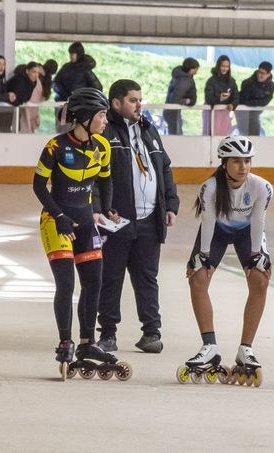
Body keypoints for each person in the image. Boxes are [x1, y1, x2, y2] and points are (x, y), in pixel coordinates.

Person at [32, 87, 122, 372]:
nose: (105, 121)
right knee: (67, 284)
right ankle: (65, 341)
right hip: (56, 221)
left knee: (94, 281)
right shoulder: (55, 146)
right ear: (84, 117)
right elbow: (38, 185)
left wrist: (107, 208)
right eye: (101, 115)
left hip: (85, 221)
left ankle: (87, 341)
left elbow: (106, 180)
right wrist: (58, 216)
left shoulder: (102, 146)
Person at [96, 79, 180, 353]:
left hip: (150, 222)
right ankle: (108, 334)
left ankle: (151, 333)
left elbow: (164, 168)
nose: (139, 105)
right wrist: (99, 208)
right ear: (116, 103)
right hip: (117, 222)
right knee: (111, 278)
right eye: (133, 100)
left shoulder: (148, 130)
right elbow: (94, 176)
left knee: (147, 279)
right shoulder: (105, 133)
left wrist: (170, 204)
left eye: (140, 99)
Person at [181, 136, 273, 385]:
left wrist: (257, 255)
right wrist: (203, 256)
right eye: (236, 161)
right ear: (224, 163)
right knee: (197, 279)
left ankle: (246, 349)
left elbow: (259, 221)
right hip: (217, 232)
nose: (243, 167)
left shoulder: (262, 187)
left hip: (247, 233)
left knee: (260, 280)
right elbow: (208, 222)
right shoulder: (210, 187)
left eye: (247, 161)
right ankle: (209, 346)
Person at [54, 42, 103, 132]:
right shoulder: (66, 67)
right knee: (62, 130)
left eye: (74, 54)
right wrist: (64, 95)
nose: (71, 56)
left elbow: (98, 88)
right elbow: (56, 83)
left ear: (79, 54)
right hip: (63, 104)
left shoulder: (85, 70)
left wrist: (85, 99)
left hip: (80, 107)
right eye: (70, 54)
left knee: (77, 130)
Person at [235, 61, 274, 136]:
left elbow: (265, 102)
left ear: (268, 74)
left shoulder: (271, 86)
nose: (259, 75)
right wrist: (256, 102)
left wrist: (252, 103)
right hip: (242, 113)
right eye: (259, 72)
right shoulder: (247, 83)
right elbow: (245, 101)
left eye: (262, 73)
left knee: (255, 136)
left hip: (255, 114)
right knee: (243, 135)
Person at [6, 62, 47, 133]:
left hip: (28, 109)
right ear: (27, 71)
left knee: (24, 128)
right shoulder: (22, 82)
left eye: (38, 73)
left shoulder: (34, 83)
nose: (36, 75)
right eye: (34, 72)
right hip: (27, 109)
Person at [203, 55, 238, 136]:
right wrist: (220, 99)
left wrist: (233, 105)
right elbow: (208, 98)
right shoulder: (211, 81)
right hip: (212, 113)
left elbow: (236, 97)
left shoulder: (232, 81)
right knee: (211, 134)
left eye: (227, 66)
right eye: (223, 66)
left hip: (225, 114)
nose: (225, 69)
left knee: (224, 136)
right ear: (218, 66)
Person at [163, 57, 199, 136]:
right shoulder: (184, 81)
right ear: (191, 69)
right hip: (173, 112)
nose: (197, 70)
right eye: (196, 68)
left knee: (176, 133)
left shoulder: (179, 77)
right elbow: (175, 99)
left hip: (172, 111)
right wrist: (187, 101)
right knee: (176, 135)